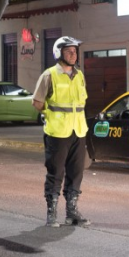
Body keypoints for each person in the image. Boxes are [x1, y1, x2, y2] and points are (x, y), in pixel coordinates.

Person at [32, 36, 90, 227]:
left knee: (76, 172)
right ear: (59, 53)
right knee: (55, 172)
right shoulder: (49, 75)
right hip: (57, 133)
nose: (73, 54)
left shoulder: (80, 75)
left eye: (75, 51)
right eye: (69, 51)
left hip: (78, 131)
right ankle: (51, 214)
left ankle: (72, 212)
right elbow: (37, 102)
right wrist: (50, 114)